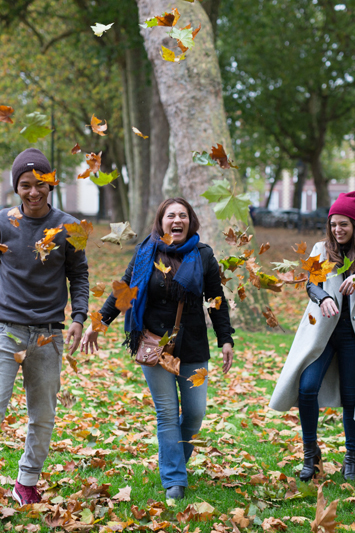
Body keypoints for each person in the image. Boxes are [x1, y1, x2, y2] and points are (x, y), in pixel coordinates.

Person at [0, 148, 89, 532]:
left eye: (40, 183)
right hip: (3, 329)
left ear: (51, 183)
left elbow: (78, 275)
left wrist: (79, 316)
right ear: (16, 187)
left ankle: (25, 482)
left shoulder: (68, 227)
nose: (33, 192)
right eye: (25, 185)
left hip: (48, 334)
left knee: (42, 416)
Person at [81, 198, 235, 500]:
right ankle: (175, 480)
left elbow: (216, 299)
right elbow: (124, 289)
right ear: (161, 221)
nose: (176, 220)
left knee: (194, 414)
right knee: (166, 412)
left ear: (190, 221)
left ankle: (175, 460)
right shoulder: (146, 252)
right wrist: (99, 323)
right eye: (170, 215)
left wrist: (225, 338)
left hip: (192, 345)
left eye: (182, 215)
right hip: (152, 343)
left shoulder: (203, 255)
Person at [270, 191, 355, 482]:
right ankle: (311, 453)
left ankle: (351, 458)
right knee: (307, 387)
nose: (338, 230)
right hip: (322, 331)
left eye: (343, 224)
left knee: (351, 396)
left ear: (354, 225)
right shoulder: (321, 250)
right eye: (333, 224)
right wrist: (323, 297)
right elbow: (311, 284)